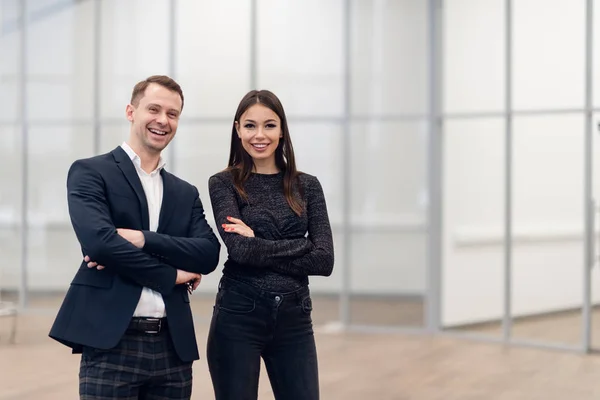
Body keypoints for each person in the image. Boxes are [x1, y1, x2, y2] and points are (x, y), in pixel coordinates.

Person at [49, 75, 221, 399]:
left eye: (172, 114)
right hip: (111, 344)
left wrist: (144, 240)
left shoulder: (184, 193)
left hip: (173, 348)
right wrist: (171, 274)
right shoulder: (91, 172)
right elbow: (100, 243)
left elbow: (209, 254)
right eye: (153, 109)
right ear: (131, 111)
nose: (162, 120)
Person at [206, 89, 334, 400]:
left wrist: (258, 242)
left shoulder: (308, 186)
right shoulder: (223, 184)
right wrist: (300, 245)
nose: (259, 135)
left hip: (295, 318)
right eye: (250, 126)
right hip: (238, 315)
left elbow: (324, 260)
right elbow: (240, 250)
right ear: (238, 130)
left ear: (282, 130)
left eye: (269, 125)